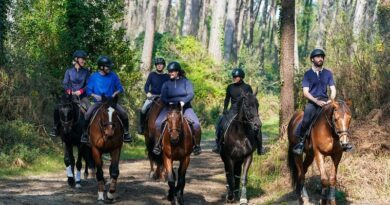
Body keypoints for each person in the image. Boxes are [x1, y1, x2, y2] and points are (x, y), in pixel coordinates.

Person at [292, 48, 352, 155]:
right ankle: (300, 143)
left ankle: (344, 142)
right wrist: (316, 101)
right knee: (306, 119)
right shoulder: (308, 74)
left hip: (326, 101)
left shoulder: (328, 73)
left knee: (339, 118)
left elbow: (333, 89)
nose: (320, 59)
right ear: (312, 59)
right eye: (317, 57)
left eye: (322, 57)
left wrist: (330, 100)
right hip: (313, 102)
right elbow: (305, 92)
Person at [153, 61, 202, 155]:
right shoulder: (166, 84)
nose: (170, 73)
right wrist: (169, 102)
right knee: (158, 123)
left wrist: (183, 102)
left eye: (172, 71)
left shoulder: (186, 82)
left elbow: (191, 94)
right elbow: (163, 97)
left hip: (185, 107)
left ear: (177, 72)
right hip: (169, 107)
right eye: (169, 71)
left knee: (196, 124)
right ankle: (157, 145)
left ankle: (197, 145)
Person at [80, 56, 132, 143]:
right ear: (101, 67)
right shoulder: (94, 77)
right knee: (87, 114)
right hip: (99, 102)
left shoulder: (113, 75)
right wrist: (95, 95)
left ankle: (126, 134)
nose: (109, 68)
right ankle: (85, 134)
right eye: (108, 66)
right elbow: (89, 90)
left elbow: (120, 88)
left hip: (111, 102)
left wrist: (115, 93)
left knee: (123, 113)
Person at [212, 68, 264, 155]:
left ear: (241, 77)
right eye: (234, 77)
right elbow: (227, 99)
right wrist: (225, 108)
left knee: (257, 124)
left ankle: (260, 147)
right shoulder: (230, 87)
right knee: (221, 122)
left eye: (236, 77)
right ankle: (218, 144)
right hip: (233, 109)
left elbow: (251, 100)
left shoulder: (247, 87)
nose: (234, 78)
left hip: (244, 110)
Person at [50, 50, 90, 137]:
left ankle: (86, 132)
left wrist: (80, 91)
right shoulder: (68, 71)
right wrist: (70, 92)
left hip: (82, 96)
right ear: (76, 59)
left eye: (84, 59)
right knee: (57, 107)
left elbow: (88, 85)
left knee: (89, 110)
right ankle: (55, 128)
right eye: (82, 59)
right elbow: (65, 83)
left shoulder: (86, 72)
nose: (84, 61)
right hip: (69, 96)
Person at [137, 57, 170, 134]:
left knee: (172, 109)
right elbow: (146, 86)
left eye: (161, 64)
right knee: (143, 109)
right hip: (152, 97)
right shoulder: (152, 75)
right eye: (158, 64)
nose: (159, 66)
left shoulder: (167, 76)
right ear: (156, 66)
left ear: (163, 66)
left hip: (163, 98)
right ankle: (141, 127)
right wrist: (148, 93)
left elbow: (169, 87)